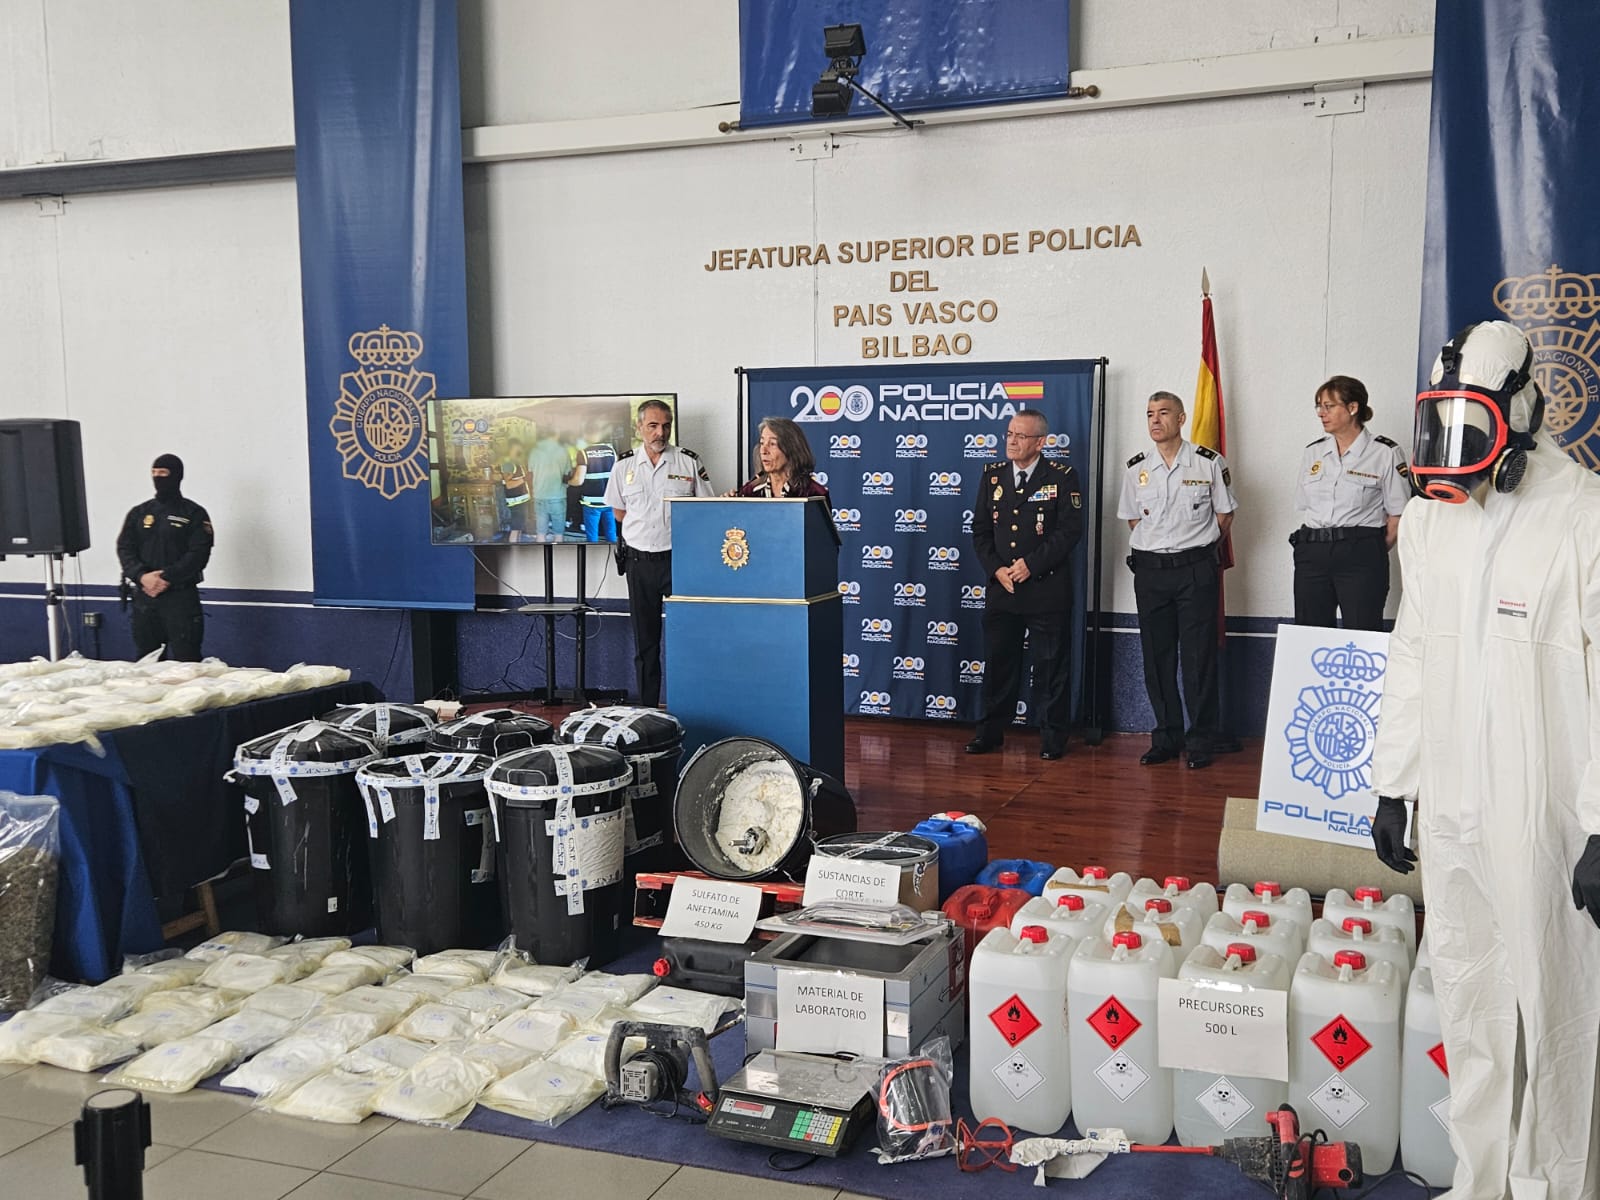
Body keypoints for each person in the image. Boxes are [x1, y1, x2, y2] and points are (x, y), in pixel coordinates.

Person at [1371, 320, 1600, 1200]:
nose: (1451, 454)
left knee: (1556, 1004)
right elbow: (1414, 654)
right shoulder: (1433, 522)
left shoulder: (1580, 512)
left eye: (1472, 427)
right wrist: (1395, 786)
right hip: (1455, 798)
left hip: (1546, 809)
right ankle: (1480, 1178)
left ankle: (1557, 1184)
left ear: (1521, 415)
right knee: (1467, 992)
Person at [1118, 390, 1237, 769]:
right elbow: (1134, 520)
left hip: (1194, 571)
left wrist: (1191, 550)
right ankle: (1166, 737)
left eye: (1164, 412)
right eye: (1149, 413)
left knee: (1198, 657)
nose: (1155, 420)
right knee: (1157, 657)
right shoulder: (1136, 467)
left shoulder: (1208, 463)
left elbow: (1224, 516)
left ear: (1182, 419)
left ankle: (1201, 738)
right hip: (1151, 571)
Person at [966, 410, 1084, 760]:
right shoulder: (992, 476)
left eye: (1020, 436)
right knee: (998, 664)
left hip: (1046, 589)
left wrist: (1030, 565)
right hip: (1003, 589)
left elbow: (1069, 532)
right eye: (1009, 434)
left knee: (1050, 668)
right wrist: (997, 569)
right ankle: (989, 732)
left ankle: (1052, 737)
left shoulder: (1062, 477)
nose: (1011, 441)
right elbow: (981, 531)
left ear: (1040, 442)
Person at [603, 400, 714, 706]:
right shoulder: (623, 465)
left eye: (666, 425)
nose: (660, 432)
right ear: (639, 428)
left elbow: (705, 511)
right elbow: (619, 511)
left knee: (689, 640)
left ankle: (693, 705)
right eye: (652, 425)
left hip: (678, 562)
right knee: (646, 644)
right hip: (639, 564)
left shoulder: (688, 462)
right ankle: (649, 711)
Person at [1291, 376, 1411, 629]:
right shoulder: (1313, 452)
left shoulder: (1385, 452)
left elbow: (1398, 516)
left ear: (1353, 408)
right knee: (1309, 635)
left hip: (1360, 553)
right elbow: (1307, 505)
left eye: (1329, 406)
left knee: (1362, 631)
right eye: (1319, 407)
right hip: (1313, 552)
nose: (1321, 413)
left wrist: (1367, 548)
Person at [115, 454, 213, 661]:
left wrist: (167, 577)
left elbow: (199, 554)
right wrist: (142, 576)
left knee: (187, 660)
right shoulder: (139, 513)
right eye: (154, 473)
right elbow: (125, 548)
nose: (158, 478)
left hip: (180, 598)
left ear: (177, 476)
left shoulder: (194, 513)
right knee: (147, 659)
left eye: (163, 473)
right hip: (145, 597)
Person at [732, 418, 830, 498]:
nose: (763, 451)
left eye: (772, 444)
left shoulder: (813, 493)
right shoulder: (750, 491)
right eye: (762, 443)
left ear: (791, 449)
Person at [527, 430, 577, 539]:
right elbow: (568, 474)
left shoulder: (534, 451)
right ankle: (558, 555)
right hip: (557, 497)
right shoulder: (563, 451)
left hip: (539, 496)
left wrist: (532, 491)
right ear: (556, 434)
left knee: (540, 533)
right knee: (558, 534)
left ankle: (540, 555)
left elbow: (530, 474)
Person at [498, 436, 530, 541]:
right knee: (516, 529)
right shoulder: (508, 464)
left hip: (521, 501)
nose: (521, 450)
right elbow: (508, 484)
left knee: (519, 528)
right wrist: (525, 479)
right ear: (513, 448)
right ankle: (513, 550)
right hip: (516, 503)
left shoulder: (516, 463)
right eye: (519, 447)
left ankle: (517, 547)